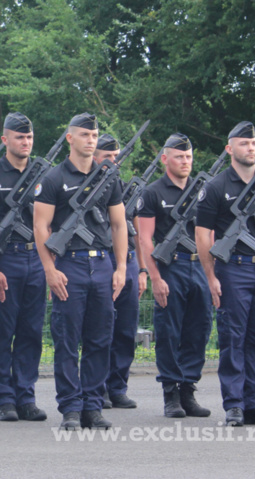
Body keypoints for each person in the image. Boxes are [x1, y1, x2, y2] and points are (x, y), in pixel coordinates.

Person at [33, 113, 127, 430]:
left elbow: (118, 224)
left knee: (100, 339)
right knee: (67, 340)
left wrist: (121, 267)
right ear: (70, 138)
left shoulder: (108, 178)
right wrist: (49, 269)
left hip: (101, 263)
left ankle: (92, 406)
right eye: (85, 134)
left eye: (95, 135)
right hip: (69, 264)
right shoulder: (53, 178)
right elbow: (41, 226)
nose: (91, 140)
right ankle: (71, 407)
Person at [196, 121, 255, 427]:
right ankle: (234, 405)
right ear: (230, 148)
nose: (251, 148)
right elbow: (203, 233)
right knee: (233, 340)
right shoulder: (216, 186)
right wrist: (211, 276)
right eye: (245, 143)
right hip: (232, 271)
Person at [0, 112, 48, 422]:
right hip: (6, 259)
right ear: (5, 140)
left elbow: (51, 224)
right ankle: (5, 398)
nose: (25, 142)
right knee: (2, 330)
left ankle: (26, 396)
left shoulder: (44, 174)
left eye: (29, 137)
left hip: (36, 258)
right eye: (19, 137)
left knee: (31, 331)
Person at [138, 133, 212, 418]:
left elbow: (210, 233)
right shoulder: (153, 193)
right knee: (169, 332)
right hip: (171, 267)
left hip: (200, 266)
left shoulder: (203, 190)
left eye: (189, 157)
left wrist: (212, 273)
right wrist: (155, 277)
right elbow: (145, 240)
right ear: (165, 158)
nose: (185, 162)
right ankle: (171, 393)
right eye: (179, 156)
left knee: (199, 330)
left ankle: (188, 391)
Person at [94, 134, 147, 410]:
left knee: (126, 328)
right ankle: (98, 387)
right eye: (108, 156)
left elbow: (134, 231)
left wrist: (142, 271)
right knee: (102, 328)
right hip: (103, 261)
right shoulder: (88, 188)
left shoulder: (124, 188)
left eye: (116, 157)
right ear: (94, 156)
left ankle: (118, 387)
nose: (113, 161)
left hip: (128, 261)